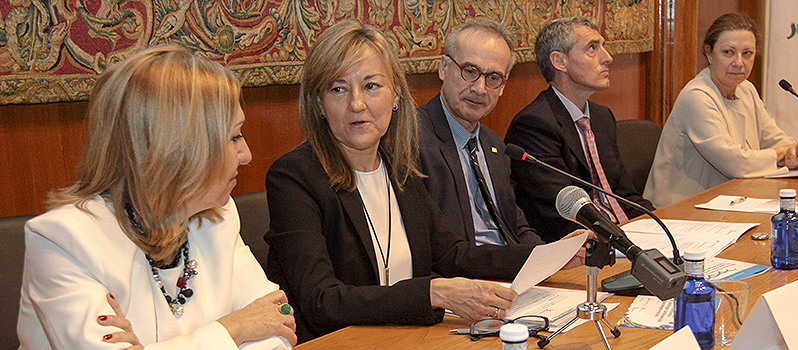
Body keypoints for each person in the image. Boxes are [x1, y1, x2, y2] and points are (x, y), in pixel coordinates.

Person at [264, 19, 540, 343]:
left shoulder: (400, 170)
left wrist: (549, 256)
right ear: (319, 103)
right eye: (338, 88)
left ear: (395, 95)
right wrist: (433, 293)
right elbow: (322, 301)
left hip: (409, 338)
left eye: (371, 86)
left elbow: (453, 255)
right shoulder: (294, 177)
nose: (357, 104)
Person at [18, 46, 297, 349]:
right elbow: (252, 325)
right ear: (178, 149)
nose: (246, 155)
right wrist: (233, 328)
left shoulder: (220, 217)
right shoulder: (66, 241)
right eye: (233, 137)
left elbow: (276, 329)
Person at [505, 17, 654, 242]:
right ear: (560, 62)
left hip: (624, 234)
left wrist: (659, 225)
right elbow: (561, 213)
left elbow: (624, 195)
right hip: (581, 245)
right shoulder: (534, 125)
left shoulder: (602, 116)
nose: (608, 58)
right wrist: (623, 241)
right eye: (592, 48)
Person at [644, 13, 798, 208]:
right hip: (682, 211)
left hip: (731, 202)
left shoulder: (746, 89)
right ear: (709, 53)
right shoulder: (697, 96)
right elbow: (736, 163)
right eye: (728, 52)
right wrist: (779, 154)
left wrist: (793, 151)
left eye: (747, 53)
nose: (739, 63)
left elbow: (773, 138)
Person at [416, 18, 544, 246]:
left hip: (510, 269)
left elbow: (515, 225)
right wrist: (519, 260)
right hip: (465, 276)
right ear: (444, 68)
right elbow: (442, 249)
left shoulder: (493, 144)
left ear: (503, 86)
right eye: (470, 71)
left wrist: (551, 256)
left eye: (493, 78)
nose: (479, 89)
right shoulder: (413, 138)